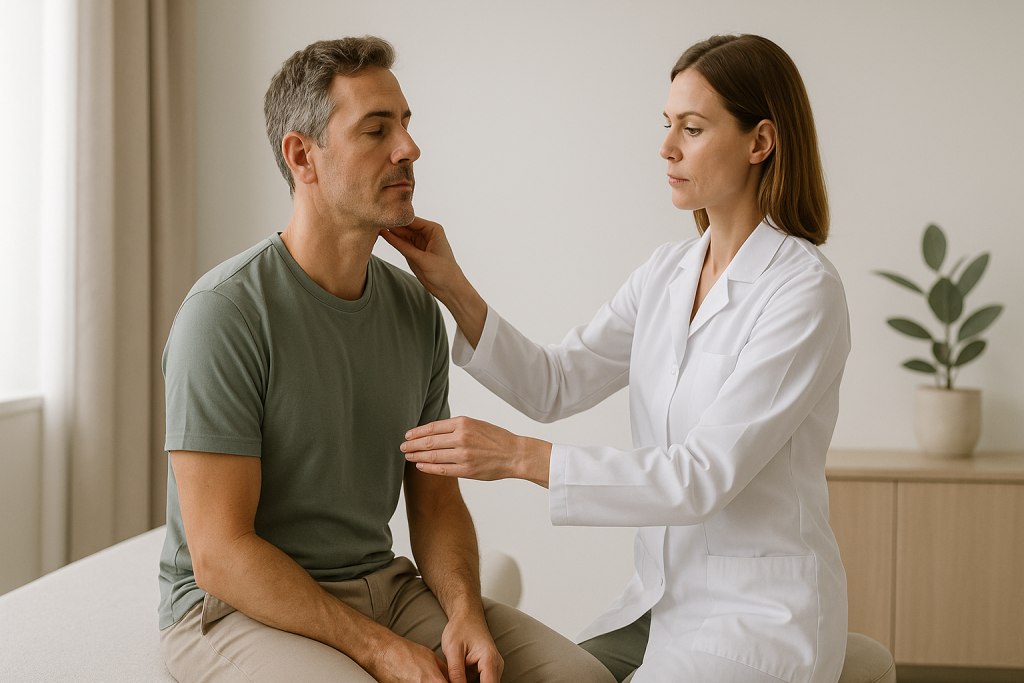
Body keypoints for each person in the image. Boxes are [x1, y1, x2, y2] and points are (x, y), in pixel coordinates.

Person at [383, 34, 851, 683]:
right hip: (660, 604)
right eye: (667, 125)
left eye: (691, 128)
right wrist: (452, 285)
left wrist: (519, 456)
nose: (666, 147)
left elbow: (701, 476)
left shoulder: (803, 291)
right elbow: (556, 382)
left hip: (756, 621)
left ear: (759, 142)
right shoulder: (668, 273)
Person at [157, 36, 614, 683]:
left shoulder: (413, 307)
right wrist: (376, 648)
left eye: (405, 124)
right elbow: (221, 553)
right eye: (377, 130)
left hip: (382, 584)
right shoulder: (225, 314)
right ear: (301, 155)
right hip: (237, 608)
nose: (408, 148)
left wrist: (464, 613)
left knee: (580, 678)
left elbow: (433, 503)